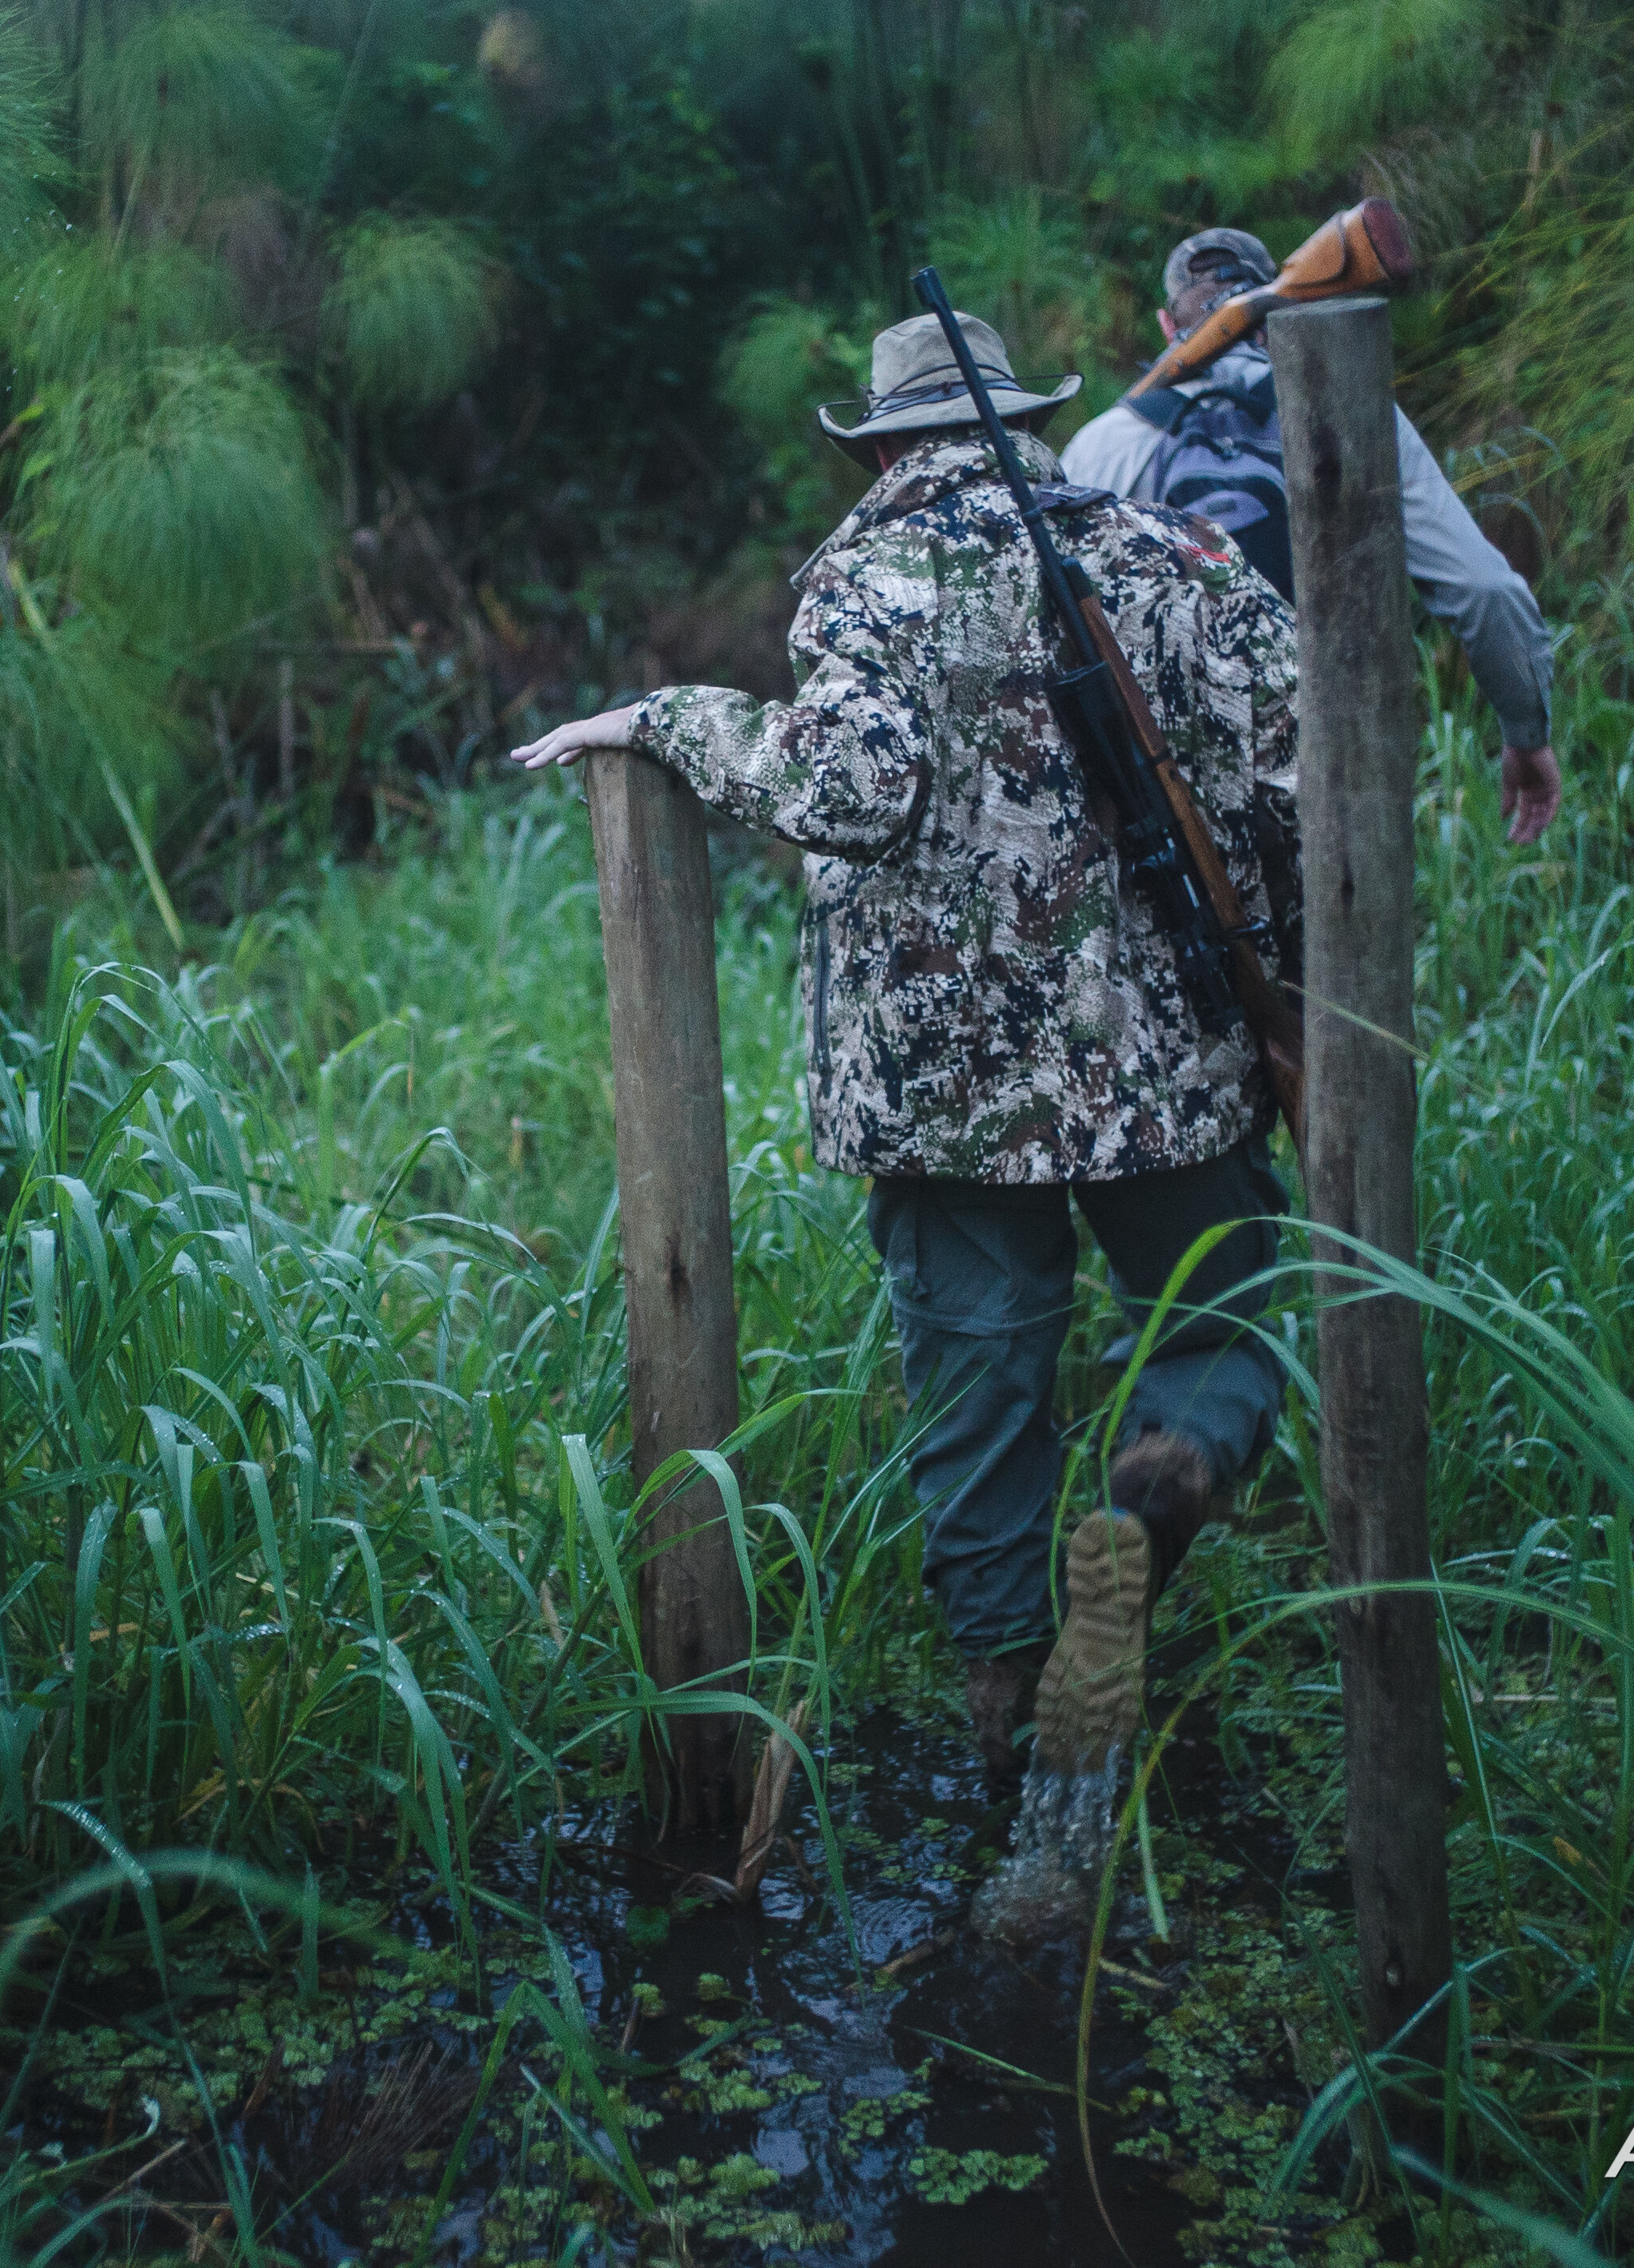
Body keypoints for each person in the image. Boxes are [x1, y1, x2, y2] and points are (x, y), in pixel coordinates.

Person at [509, 307, 1298, 1796]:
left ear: (882, 446)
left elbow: (853, 785)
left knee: (980, 1378)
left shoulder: (871, 576)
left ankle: (1006, 1711)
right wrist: (1292, 998)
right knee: (1226, 1312)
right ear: (1023, 417)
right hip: (1175, 1059)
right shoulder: (1170, 554)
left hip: (949, 1093)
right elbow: (1301, 774)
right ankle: (1161, 1484)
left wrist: (674, 717)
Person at [1062, 226, 1564, 847]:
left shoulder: (1099, 449)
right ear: (1283, 309)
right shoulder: (1358, 412)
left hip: (1176, 798)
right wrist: (1526, 730)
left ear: (1168, 327)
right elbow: (1485, 589)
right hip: (1345, 780)